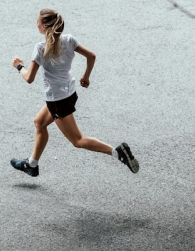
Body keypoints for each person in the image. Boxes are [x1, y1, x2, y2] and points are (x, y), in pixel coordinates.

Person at [10, 9, 139, 177]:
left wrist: (19, 66)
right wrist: (86, 76)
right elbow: (91, 56)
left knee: (78, 140)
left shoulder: (40, 49)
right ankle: (32, 164)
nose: (36, 24)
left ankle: (117, 152)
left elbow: (29, 78)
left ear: (43, 27)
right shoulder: (69, 40)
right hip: (69, 93)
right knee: (39, 123)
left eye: (38, 22)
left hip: (57, 100)